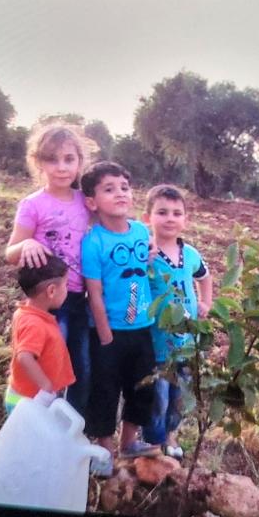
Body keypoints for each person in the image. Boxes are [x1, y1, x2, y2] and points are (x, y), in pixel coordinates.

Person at [5, 123, 93, 418]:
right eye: (52, 159)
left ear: (80, 162)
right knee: (43, 365)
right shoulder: (32, 205)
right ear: (38, 163)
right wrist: (26, 244)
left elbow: (114, 224)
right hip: (47, 303)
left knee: (79, 367)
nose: (61, 167)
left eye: (69, 159)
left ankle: (73, 429)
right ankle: (31, 419)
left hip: (78, 297)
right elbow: (10, 252)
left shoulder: (85, 201)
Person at [80, 161, 160, 459]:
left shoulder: (140, 230)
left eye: (124, 188)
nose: (120, 194)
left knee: (142, 387)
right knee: (106, 390)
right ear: (92, 202)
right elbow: (95, 293)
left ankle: (129, 444)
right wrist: (104, 336)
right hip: (108, 332)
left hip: (142, 327)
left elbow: (147, 262)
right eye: (109, 189)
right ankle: (105, 448)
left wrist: (150, 257)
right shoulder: (93, 242)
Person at [141, 184, 213, 458]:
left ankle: (171, 436)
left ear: (185, 219)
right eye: (162, 212)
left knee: (180, 397)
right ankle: (152, 441)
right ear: (148, 217)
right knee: (157, 396)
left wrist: (206, 302)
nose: (170, 218)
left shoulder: (191, 254)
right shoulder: (146, 253)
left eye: (176, 213)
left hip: (187, 343)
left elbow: (205, 277)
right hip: (156, 342)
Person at [4, 255, 74, 413]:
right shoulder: (35, 324)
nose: (67, 290)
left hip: (26, 396)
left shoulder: (27, 313)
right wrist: (46, 387)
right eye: (66, 285)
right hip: (28, 400)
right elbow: (24, 356)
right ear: (51, 291)